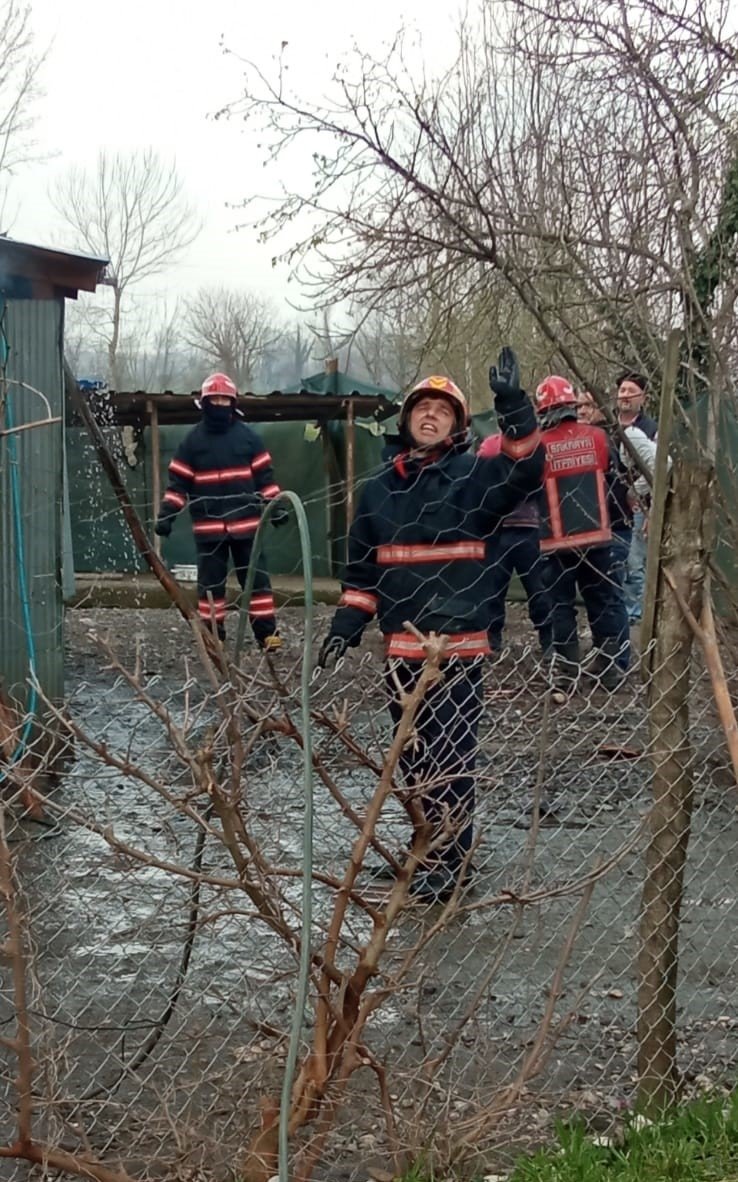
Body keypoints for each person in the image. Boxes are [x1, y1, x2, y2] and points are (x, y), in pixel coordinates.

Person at [317, 355, 544, 903]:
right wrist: (347, 625)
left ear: (458, 426)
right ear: (406, 421)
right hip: (401, 649)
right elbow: (362, 574)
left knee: (452, 758)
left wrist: (514, 406)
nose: (431, 417)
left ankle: (454, 862)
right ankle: (426, 851)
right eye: (423, 408)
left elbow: (526, 467)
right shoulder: (376, 493)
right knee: (410, 759)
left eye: (443, 412)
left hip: (458, 648)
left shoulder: (476, 479)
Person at [154, 372, 285, 650]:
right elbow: (178, 484)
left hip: (248, 526)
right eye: (214, 399)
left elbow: (265, 479)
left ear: (233, 402)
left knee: (256, 581)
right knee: (210, 586)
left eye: (224, 399)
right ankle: (214, 634)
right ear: (204, 403)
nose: (220, 403)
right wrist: (168, 513)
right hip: (209, 531)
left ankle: (267, 634)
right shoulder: (191, 443)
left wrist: (276, 507)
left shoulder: (249, 439)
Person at [535, 376, 628, 696]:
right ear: (572, 404)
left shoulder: (538, 444)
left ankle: (565, 673)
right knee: (602, 603)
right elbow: (612, 474)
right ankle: (610, 669)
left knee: (560, 607)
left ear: (543, 408)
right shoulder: (599, 437)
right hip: (597, 538)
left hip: (555, 543)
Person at [477, 431, 551, 658]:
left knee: (538, 587)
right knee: (493, 587)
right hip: (499, 530)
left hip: (529, 528)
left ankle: (548, 638)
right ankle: (491, 637)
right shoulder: (490, 445)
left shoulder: (535, 444)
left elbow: (543, 482)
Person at [615, 371, 656, 622]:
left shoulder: (650, 430)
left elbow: (659, 468)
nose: (626, 395)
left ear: (644, 397)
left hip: (639, 505)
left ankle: (634, 613)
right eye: (622, 390)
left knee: (634, 561)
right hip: (610, 504)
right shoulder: (608, 424)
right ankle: (618, 609)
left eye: (631, 391)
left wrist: (636, 493)